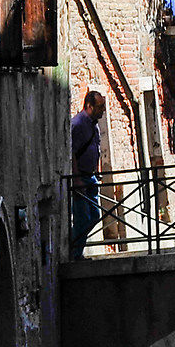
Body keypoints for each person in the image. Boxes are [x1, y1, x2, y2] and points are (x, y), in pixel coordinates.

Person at [69, 91, 106, 256]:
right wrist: (77, 180)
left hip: (91, 176)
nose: (103, 110)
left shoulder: (94, 124)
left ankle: (76, 247)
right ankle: (75, 253)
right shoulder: (77, 124)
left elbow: (96, 148)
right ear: (89, 106)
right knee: (82, 218)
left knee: (95, 215)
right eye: (100, 107)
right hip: (81, 177)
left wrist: (97, 171)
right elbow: (72, 154)